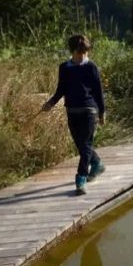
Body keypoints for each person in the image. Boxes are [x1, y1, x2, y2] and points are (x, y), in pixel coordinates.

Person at [42, 34, 106, 195]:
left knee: (85, 145)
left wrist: (102, 112)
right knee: (81, 145)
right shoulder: (64, 68)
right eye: (80, 52)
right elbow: (61, 89)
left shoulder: (91, 67)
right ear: (72, 51)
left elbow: (98, 91)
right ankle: (97, 163)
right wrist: (51, 103)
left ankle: (81, 178)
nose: (83, 55)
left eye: (85, 52)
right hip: (72, 110)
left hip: (89, 110)